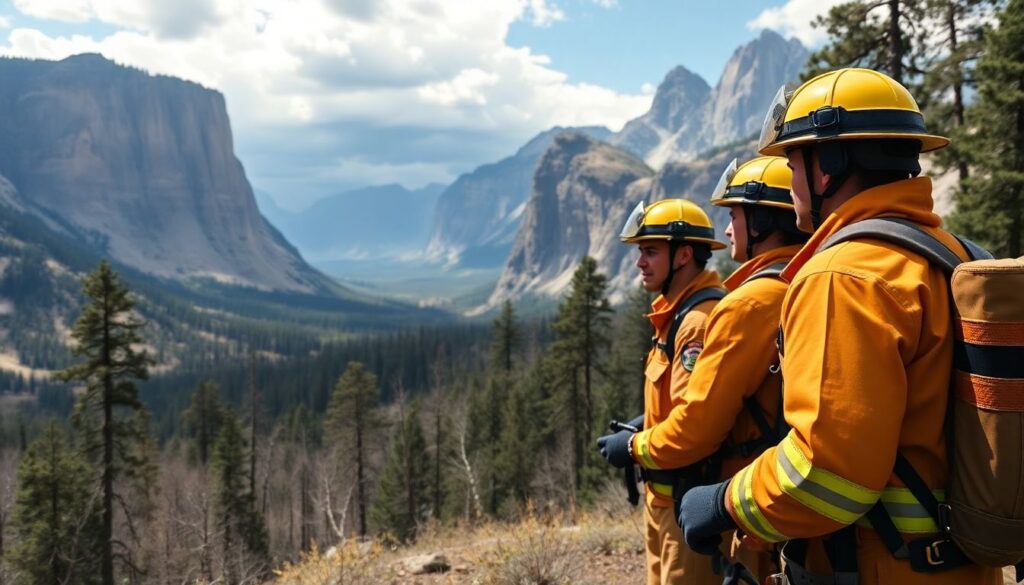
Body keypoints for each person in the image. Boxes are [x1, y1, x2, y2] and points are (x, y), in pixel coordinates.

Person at [676, 68, 1002, 585]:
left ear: (827, 166)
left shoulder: (842, 275)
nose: (790, 180)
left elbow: (825, 475)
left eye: (792, 160)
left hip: (879, 566)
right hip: (962, 567)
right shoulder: (954, 256)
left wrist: (723, 502)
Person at [597, 198, 727, 585]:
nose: (639, 262)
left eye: (650, 251)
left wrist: (633, 446)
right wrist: (643, 423)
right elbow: (676, 399)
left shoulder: (695, 325)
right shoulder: (674, 314)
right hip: (663, 500)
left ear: (683, 254)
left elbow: (693, 426)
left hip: (686, 503)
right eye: (640, 252)